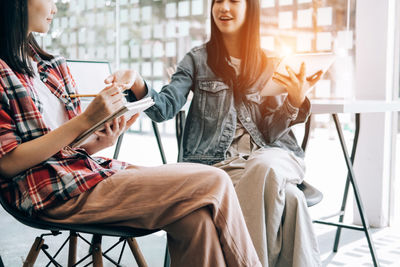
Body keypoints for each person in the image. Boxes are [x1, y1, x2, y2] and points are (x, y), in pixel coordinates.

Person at [0, 1, 262, 266]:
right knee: (215, 180)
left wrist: (100, 140)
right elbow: (7, 164)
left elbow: (67, 147)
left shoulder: (52, 66)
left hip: (86, 173)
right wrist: (84, 121)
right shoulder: (2, 71)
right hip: (50, 192)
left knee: (196, 219)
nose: (55, 7)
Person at [107, 0, 323, 266]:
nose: (223, 8)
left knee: (262, 164)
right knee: (292, 199)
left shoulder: (272, 62)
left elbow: (270, 133)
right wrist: (138, 83)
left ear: (250, 8)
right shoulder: (196, 60)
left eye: (233, 1)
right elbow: (164, 109)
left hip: (274, 158)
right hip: (220, 167)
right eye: (218, 1)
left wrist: (294, 100)